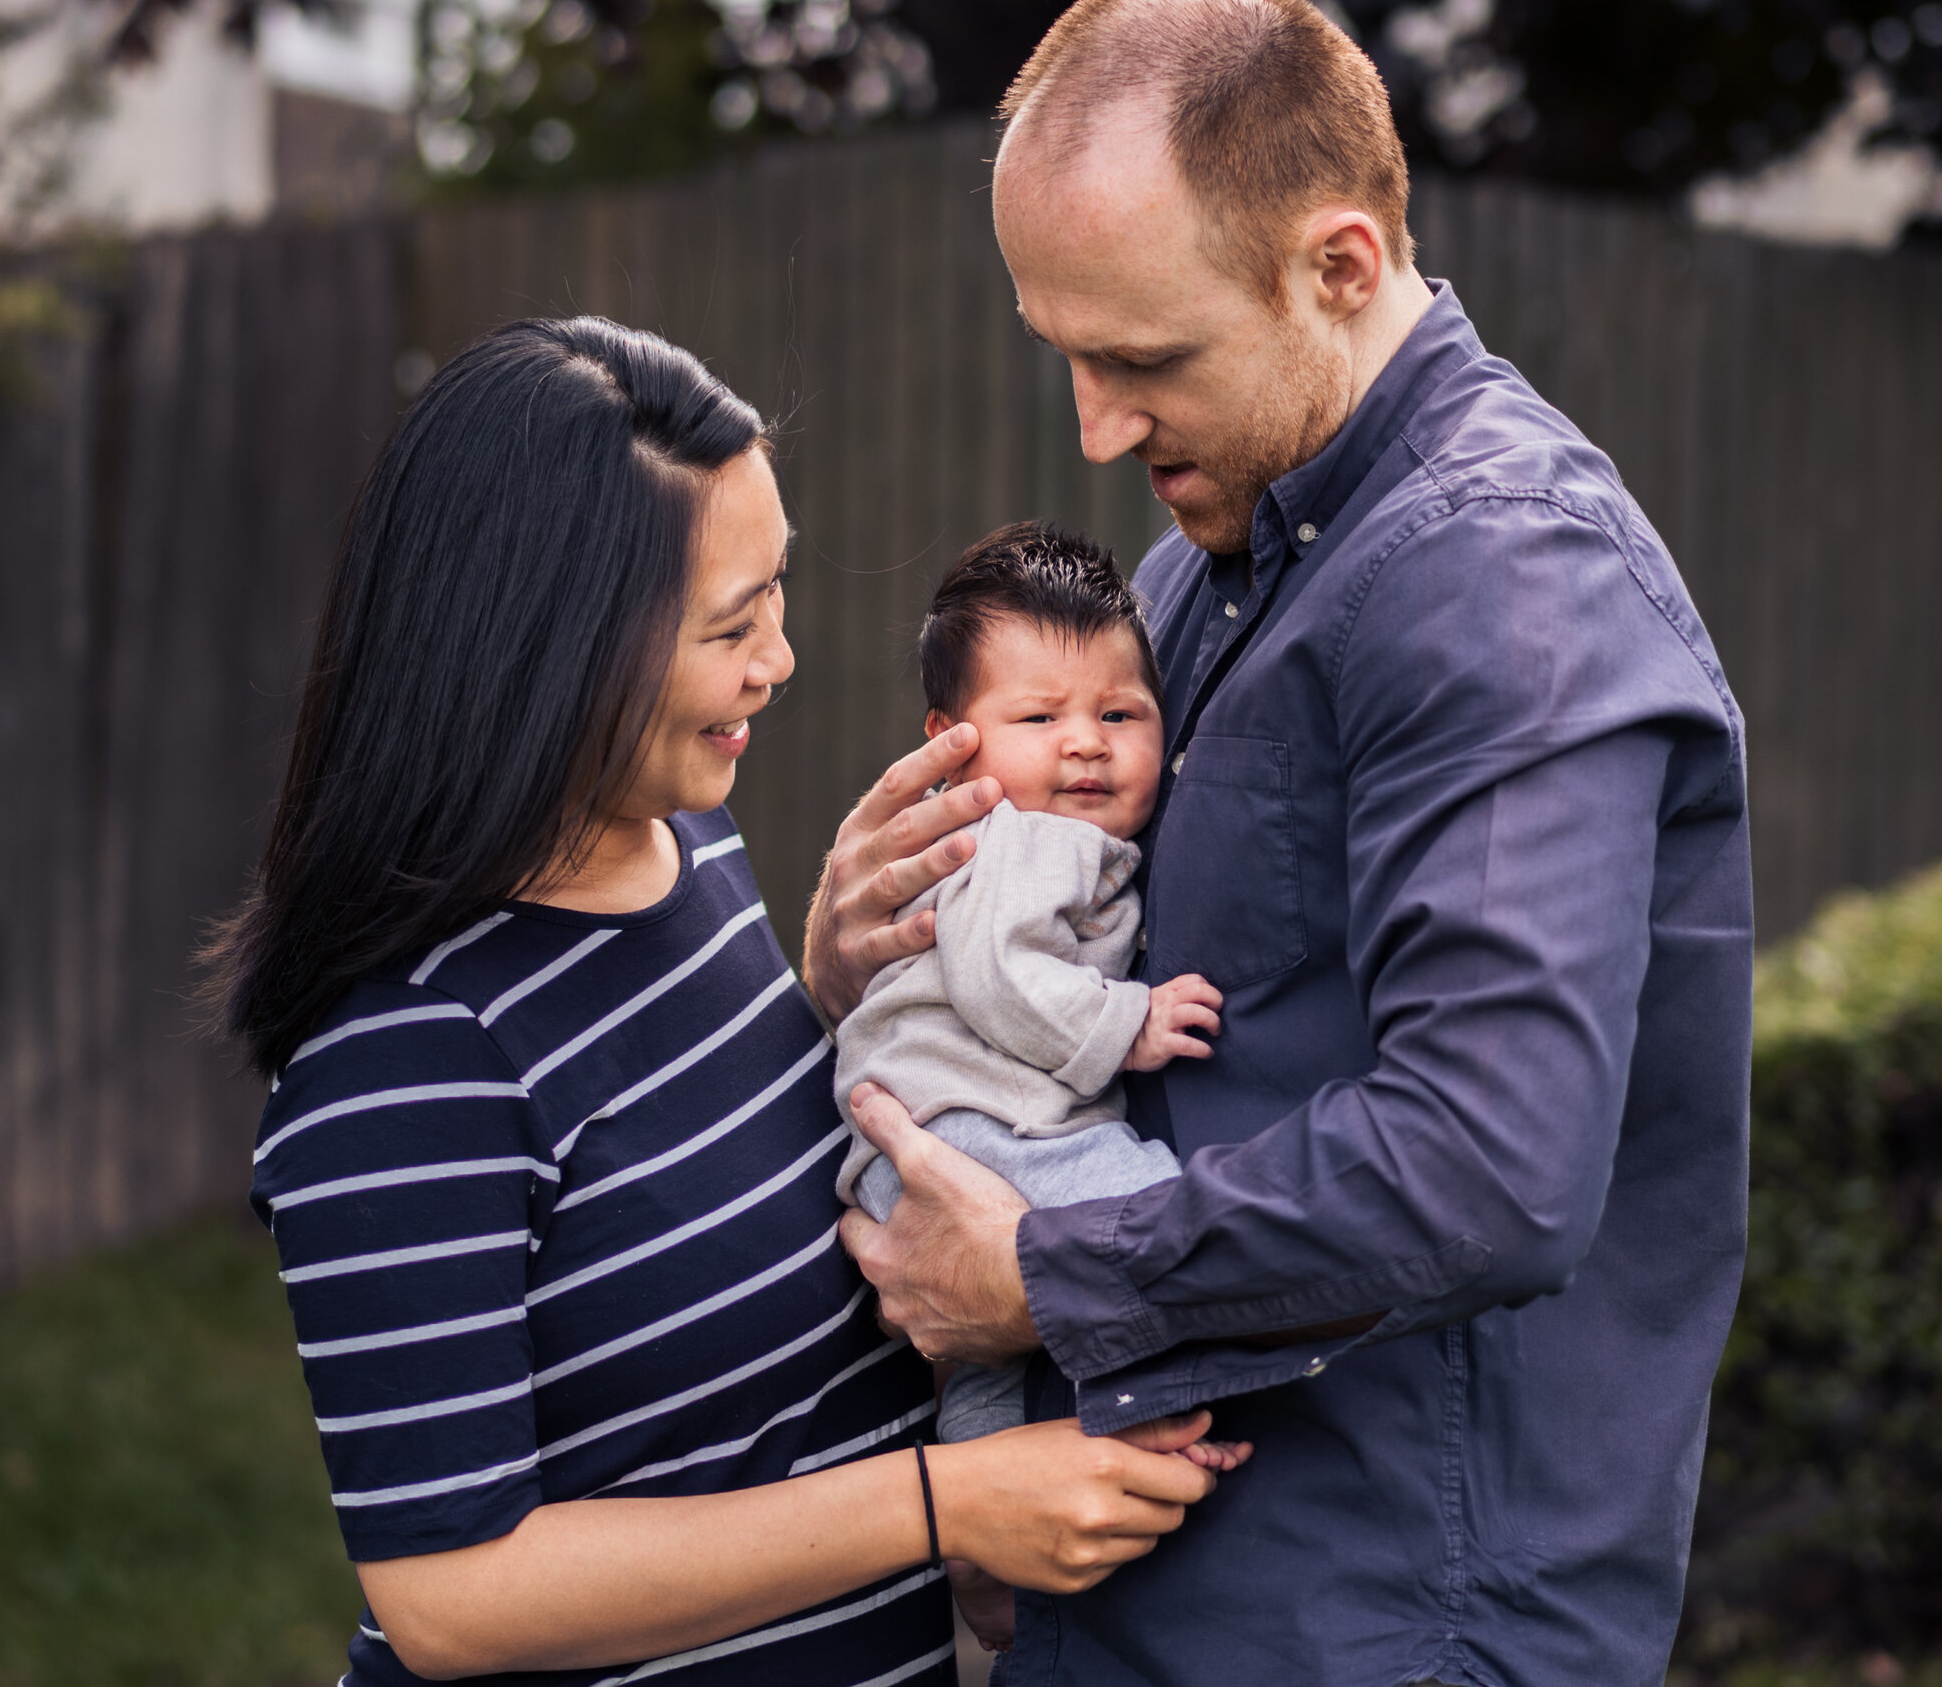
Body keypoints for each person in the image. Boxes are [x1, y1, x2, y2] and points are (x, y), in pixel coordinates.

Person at [811, 0, 1753, 1686]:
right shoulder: (1206, 568)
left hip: (1390, 1622)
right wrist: (881, 959)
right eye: (1067, 358)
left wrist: (1047, 1274)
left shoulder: (1502, 583)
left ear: (1340, 266)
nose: (1096, 429)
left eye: (1144, 356)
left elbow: (1490, 1168)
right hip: (1172, 1590)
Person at [208, 317, 1231, 1687]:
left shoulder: (685, 850)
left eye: (779, 598)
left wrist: (840, 999)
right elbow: (452, 1591)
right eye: (734, 624)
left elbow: (677, 1177)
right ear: (552, 650)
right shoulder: (406, 1052)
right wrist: (947, 1501)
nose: (782, 660)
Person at [833, 522, 1234, 1454]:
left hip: (924, 1134)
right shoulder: (1031, 837)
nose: (1085, 745)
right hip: (966, 1124)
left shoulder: (1037, 832)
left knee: (988, 1360)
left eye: (1120, 715)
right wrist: (1127, 1020)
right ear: (952, 743)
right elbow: (999, 973)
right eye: (1040, 718)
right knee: (1149, 1205)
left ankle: (984, 1494)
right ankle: (1163, 1402)